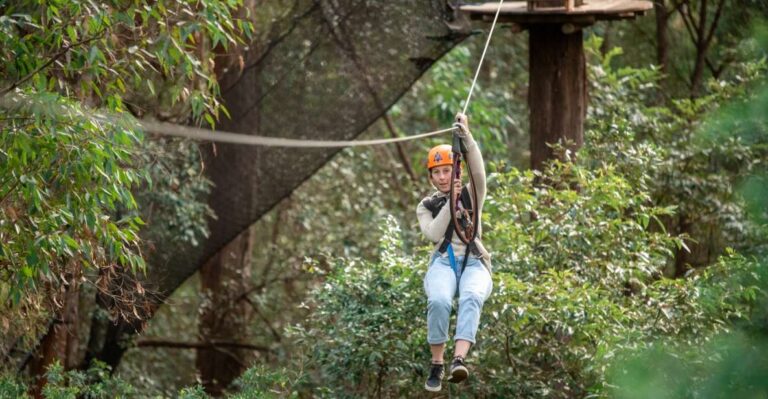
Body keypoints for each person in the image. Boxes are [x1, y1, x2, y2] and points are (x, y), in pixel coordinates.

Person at [417, 113, 493, 392]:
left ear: (456, 171)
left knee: (472, 296)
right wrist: (450, 202)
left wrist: (467, 138)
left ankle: (458, 359)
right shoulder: (426, 205)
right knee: (439, 300)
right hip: (443, 261)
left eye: (447, 170)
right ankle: (437, 363)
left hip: (474, 260)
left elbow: (480, 173)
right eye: (436, 172)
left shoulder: (472, 194)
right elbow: (435, 234)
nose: (441, 177)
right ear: (431, 177)